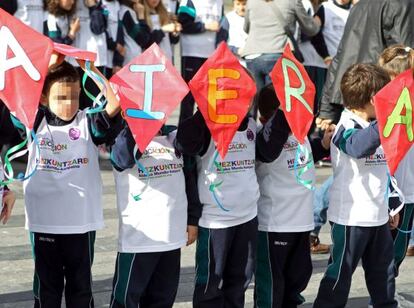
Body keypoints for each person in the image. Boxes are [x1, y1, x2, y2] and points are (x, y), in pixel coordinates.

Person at [13, 55, 121, 307]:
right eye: (61, 97)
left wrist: (90, 69)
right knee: (47, 287)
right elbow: (18, 95)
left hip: (80, 223)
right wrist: (48, 67)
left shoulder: (87, 121)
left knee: (80, 287)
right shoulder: (35, 121)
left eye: (73, 96)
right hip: (44, 221)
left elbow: (114, 103)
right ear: (43, 97)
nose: (69, 103)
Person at [313, 63, 397, 308]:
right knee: (339, 278)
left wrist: (393, 204)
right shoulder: (344, 126)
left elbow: (386, 169)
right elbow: (358, 147)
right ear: (373, 99)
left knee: (384, 276)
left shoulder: (377, 126)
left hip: (378, 216)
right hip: (351, 218)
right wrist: (384, 120)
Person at [254, 84, 334, 308]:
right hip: (274, 226)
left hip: (301, 222)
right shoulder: (264, 139)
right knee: (272, 285)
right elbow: (269, 152)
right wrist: (283, 115)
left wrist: (323, 145)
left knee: (297, 279)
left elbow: (302, 157)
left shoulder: (298, 133)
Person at [175, 104, 259, 307]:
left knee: (239, 282)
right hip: (215, 221)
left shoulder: (251, 125)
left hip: (247, 217)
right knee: (210, 285)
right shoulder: (206, 125)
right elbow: (183, 143)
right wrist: (205, 110)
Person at [109, 122, 198, 307]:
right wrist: (141, 128)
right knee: (126, 300)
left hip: (171, 237)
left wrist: (192, 219)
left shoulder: (174, 135)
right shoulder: (124, 137)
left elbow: (190, 176)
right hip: (139, 241)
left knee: (162, 299)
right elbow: (122, 159)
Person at [317, 0, 414, 127]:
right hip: (380, 99)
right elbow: (406, 59)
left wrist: (327, 110)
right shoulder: (403, 4)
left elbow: (340, 57)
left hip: (354, 96)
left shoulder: (359, 6)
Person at [242, 0, 320, 117]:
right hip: (276, 53)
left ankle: (249, 133)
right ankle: (269, 134)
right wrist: (317, 22)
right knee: (272, 104)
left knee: (252, 101)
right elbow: (310, 29)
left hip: (252, 55)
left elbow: (246, 28)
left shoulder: (251, 1)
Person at [378, 44, 414, 272]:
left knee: (396, 249)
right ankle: (382, 296)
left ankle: (383, 295)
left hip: (406, 186)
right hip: (389, 187)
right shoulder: (379, 102)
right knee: (388, 249)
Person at [177, 0, 223, 123]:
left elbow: (222, 28)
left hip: (212, 56)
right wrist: (205, 26)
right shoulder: (189, 2)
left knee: (208, 100)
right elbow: (182, 25)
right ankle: (183, 136)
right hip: (192, 53)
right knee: (188, 99)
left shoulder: (219, 2)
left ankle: (204, 136)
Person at [118, 0, 151, 65]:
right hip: (131, 58)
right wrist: (141, 16)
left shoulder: (124, 9)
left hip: (131, 57)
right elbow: (142, 39)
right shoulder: (126, 11)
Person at [216, 0, 248, 65]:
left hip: (251, 62)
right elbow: (220, 44)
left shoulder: (254, 18)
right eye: (238, 4)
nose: (241, 8)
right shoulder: (228, 18)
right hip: (233, 62)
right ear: (233, 6)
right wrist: (236, 50)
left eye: (244, 4)